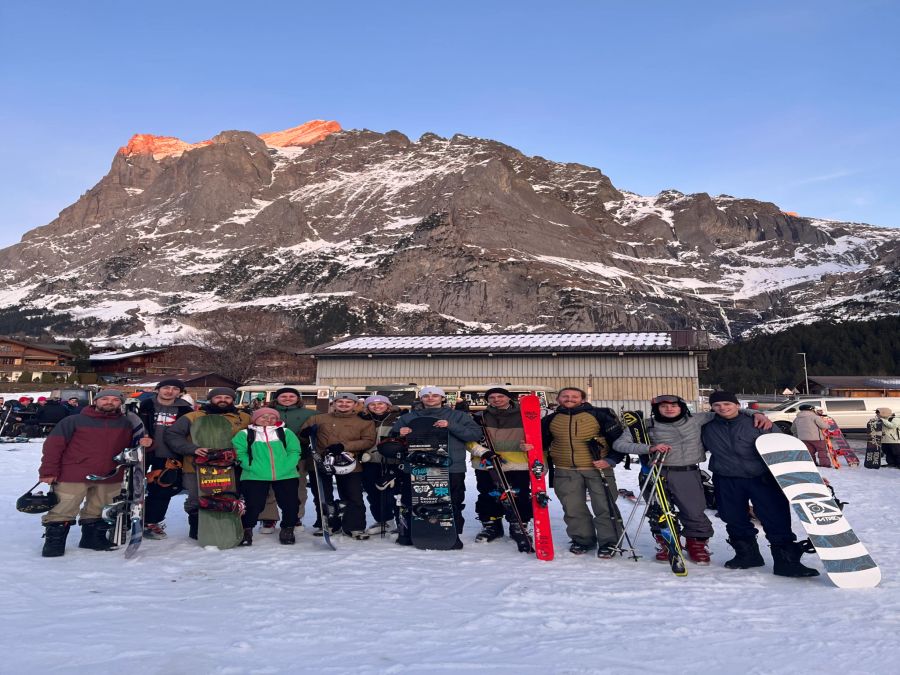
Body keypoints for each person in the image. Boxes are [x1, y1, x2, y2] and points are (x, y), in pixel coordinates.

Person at [641, 394, 772, 565]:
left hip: (686, 471)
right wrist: (648, 448)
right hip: (655, 472)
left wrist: (755, 414)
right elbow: (621, 444)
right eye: (664, 406)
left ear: (681, 407)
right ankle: (667, 544)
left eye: (674, 405)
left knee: (693, 510)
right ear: (656, 409)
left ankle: (696, 545)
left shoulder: (696, 419)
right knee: (658, 510)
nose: (669, 409)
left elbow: (727, 411)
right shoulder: (647, 424)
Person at [701, 391, 818, 578]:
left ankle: (786, 562)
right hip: (727, 477)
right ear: (712, 407)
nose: (722, 408)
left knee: (775, 516)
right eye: (717, 405)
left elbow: (783, 448)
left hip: (762, 477)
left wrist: (802, 472)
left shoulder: (758, 422)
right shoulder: (707, 426)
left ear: (737, 405)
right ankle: (747, 556)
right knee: (732, 517)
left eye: (727, 404)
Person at [541, 387, 652, 558]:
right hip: (565, 470)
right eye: (565, 396)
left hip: (597, 469)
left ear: (582, 399)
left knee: (604, 507)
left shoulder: (600, 416)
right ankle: (582, 540)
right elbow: (542, 442)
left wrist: (610, 460)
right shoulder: (550, 419)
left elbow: (618, 442)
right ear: (558, 398)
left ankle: (609, 543)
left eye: (574, 396)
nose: (569, 399)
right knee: (573, 508)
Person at [37, 390, 147, 557]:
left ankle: (91, 538)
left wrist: (147, 442)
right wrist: (48, 471)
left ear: (120, 403)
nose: (109, 402)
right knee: (63, 507)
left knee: (99, 509)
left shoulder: (126, 423)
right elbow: (53, 446)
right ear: (95, 401)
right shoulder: (73, 420)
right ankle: (54, 542)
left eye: (115, 400)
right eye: (104, 399)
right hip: (73, 473)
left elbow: (136, 447)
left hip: (111, 474)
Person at [391, 386, 483, 548]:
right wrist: (400, 433)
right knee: (414, 501)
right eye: (426, 395)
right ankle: (413, 532)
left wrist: (451, 425)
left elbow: (475, 434)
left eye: (435, 395)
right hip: (416, 467)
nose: (430, 398)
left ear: (442, 398)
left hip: (451, 466)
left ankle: (452, 535)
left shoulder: (458, 416)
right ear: (421, 399)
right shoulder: (408, 417)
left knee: (452, 501)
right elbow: (393, 441)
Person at [165, 387, 251, 540]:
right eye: (218, 397)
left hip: (231, 467)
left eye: (227, 397)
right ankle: (198, 527)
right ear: (211, 399)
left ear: (233, 400)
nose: (223, 400)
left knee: (231, 496)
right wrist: (193, 449)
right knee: (195, 498)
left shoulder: (244, 418)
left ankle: (231, 527)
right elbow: (172, 435)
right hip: (196, 466)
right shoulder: (193, 416)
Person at [300, 393, 377, 539]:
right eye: (340, 401)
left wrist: (344, 446)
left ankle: (354, 526)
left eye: (348, 402)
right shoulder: (318, 418)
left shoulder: (364, 421)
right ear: (333, 404)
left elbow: (368, 440)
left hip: (349, 462)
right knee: (323, 495)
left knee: (353, 495)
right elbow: (304, 438)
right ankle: (329, 524)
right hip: (321, 462)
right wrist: (304, 434)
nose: (344, 404)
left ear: (355, 404)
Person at [469, 387, 533, 552]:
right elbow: (467, 439)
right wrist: (482, 452)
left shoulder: (526, 416)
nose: (496, 399)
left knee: (520, 494)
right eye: (492, 397)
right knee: (489, 494)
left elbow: (538, 438)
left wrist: (532, 450)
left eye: (500, 396)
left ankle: (518, 525)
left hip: (518, 463)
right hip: (487, 464)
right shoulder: (479, 417)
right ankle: (492, 524)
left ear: (509, 398)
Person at [232, 407, 302, 546]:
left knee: (290, 503)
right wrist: (250, 466)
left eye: (272, 417)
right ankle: (246, 530)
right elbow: (240, 453)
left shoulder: (285, 432)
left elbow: (294, 451)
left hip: (286, 474)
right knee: (253, 504)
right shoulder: (244, 434)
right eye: (263, 417)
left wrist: (287, 466)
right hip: (254, 475)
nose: (268, 420)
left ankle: (288, 529)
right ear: (255, 419)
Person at [138, 379, 194, 539]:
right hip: (142, 452)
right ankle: (127, 520)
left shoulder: (186, 410)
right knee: (132, 489)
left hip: (169, 454)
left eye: (175, 388)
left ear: (180, 392)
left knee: (163, 488)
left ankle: (151, 521)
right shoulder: (144, 405)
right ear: (158, 389)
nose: (170, 391)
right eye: (166, 387)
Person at [256, 387, 316, 534]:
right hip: (267, 456)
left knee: (297, 488)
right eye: (283, 396)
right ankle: (268, 518)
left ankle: (295, 516)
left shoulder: (310, 414)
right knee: (268, 487)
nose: (288, 398)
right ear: (277, 398)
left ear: (298, 398)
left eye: (292, 396)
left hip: (297, 456)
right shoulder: (264, 413)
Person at [358, 395, 403, 535]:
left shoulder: (398, 417)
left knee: (394, 495)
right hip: (370, 460)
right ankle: (383, 520)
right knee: (373, 493)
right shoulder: (363, 419)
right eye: (372, 405)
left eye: (381, 404)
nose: (377, 407)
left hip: (392, 462)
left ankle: (400, 522)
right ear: (367, 407)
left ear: (387, 405)